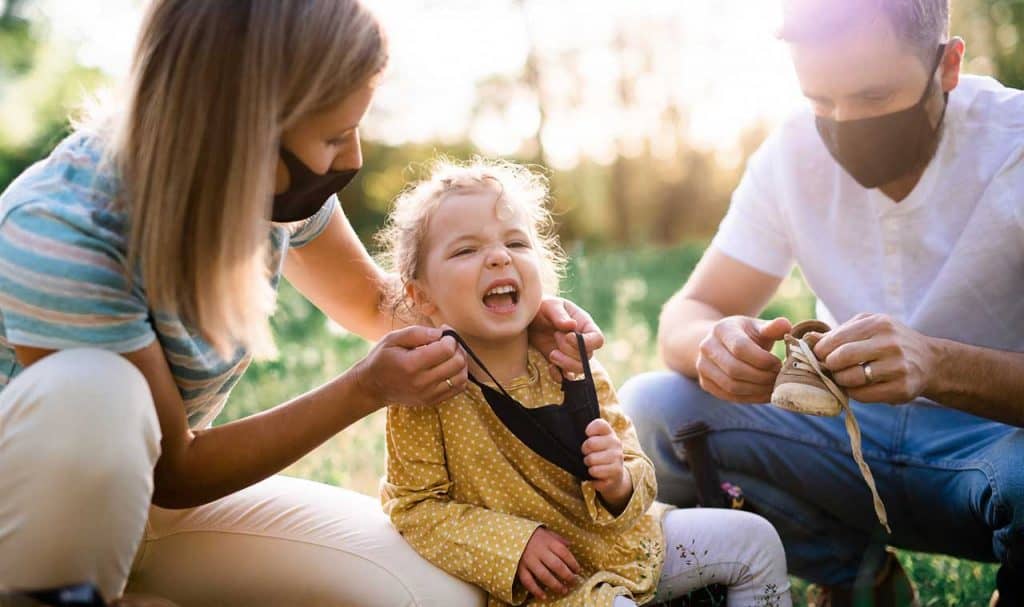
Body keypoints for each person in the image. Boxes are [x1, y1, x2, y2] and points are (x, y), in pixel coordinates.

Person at [0, 2, 603, 604]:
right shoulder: (62, 229)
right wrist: (364, 389)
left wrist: (514, 321)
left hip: (151, 509)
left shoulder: (265, 184)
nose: (353, 160)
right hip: (32, 510)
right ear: (243, 126)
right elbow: (174, 469)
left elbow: (376, 304)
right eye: (336, 136)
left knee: (436, 597)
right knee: (93, 391)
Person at [620, 0, 1024, 605]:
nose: (843, 124)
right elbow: (688, 312)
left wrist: (937, 364)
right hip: (843, 431)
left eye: (874, 98)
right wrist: (716, 343)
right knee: (653, 410)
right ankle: (858, 578)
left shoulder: (1014, 147)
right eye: (820, 102)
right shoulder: (789, 154)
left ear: (947, 66)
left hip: (997, 449)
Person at [377, 158, 792, 607]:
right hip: (551, 585)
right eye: (465, 250)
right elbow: (414, 507)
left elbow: (635, 464)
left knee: (755, 541)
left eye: (516, 242)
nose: (499, 256)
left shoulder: (570, 360)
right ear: (420, 295)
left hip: (626, 544)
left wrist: (619, 481)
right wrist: (511, 545)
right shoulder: (425, 388)